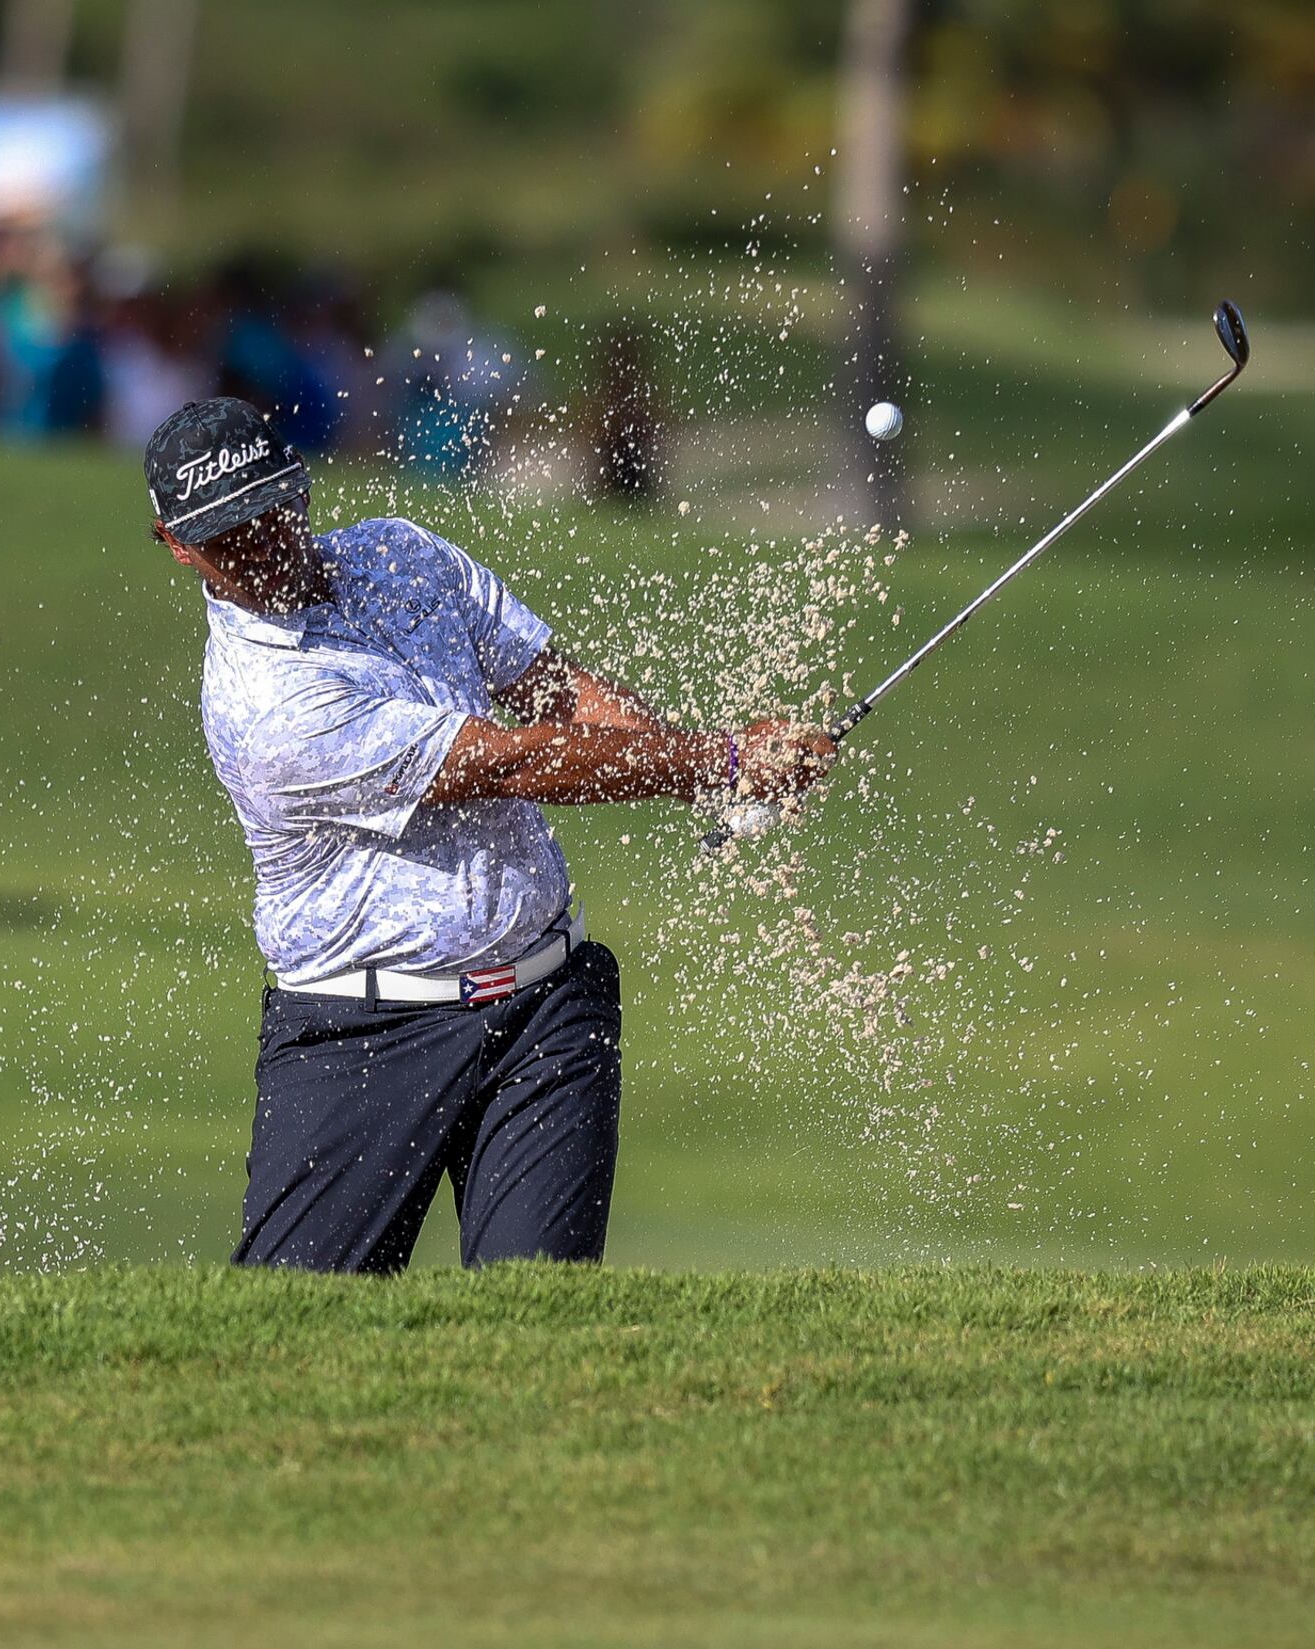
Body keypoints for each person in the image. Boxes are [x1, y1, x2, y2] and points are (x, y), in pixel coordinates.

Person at [144, 398, 837, 1274]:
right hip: (361, 1038)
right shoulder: (269, 707)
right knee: (292, 1339)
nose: (257, 546)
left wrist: (713, 778)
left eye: (267, 513)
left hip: (546, 1008)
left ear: (300, 486)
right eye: (224, 537)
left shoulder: (400, 553)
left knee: (540, 1323)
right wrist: (724, 758)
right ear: (176, 543)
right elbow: (516, 764)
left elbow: (562, 699)